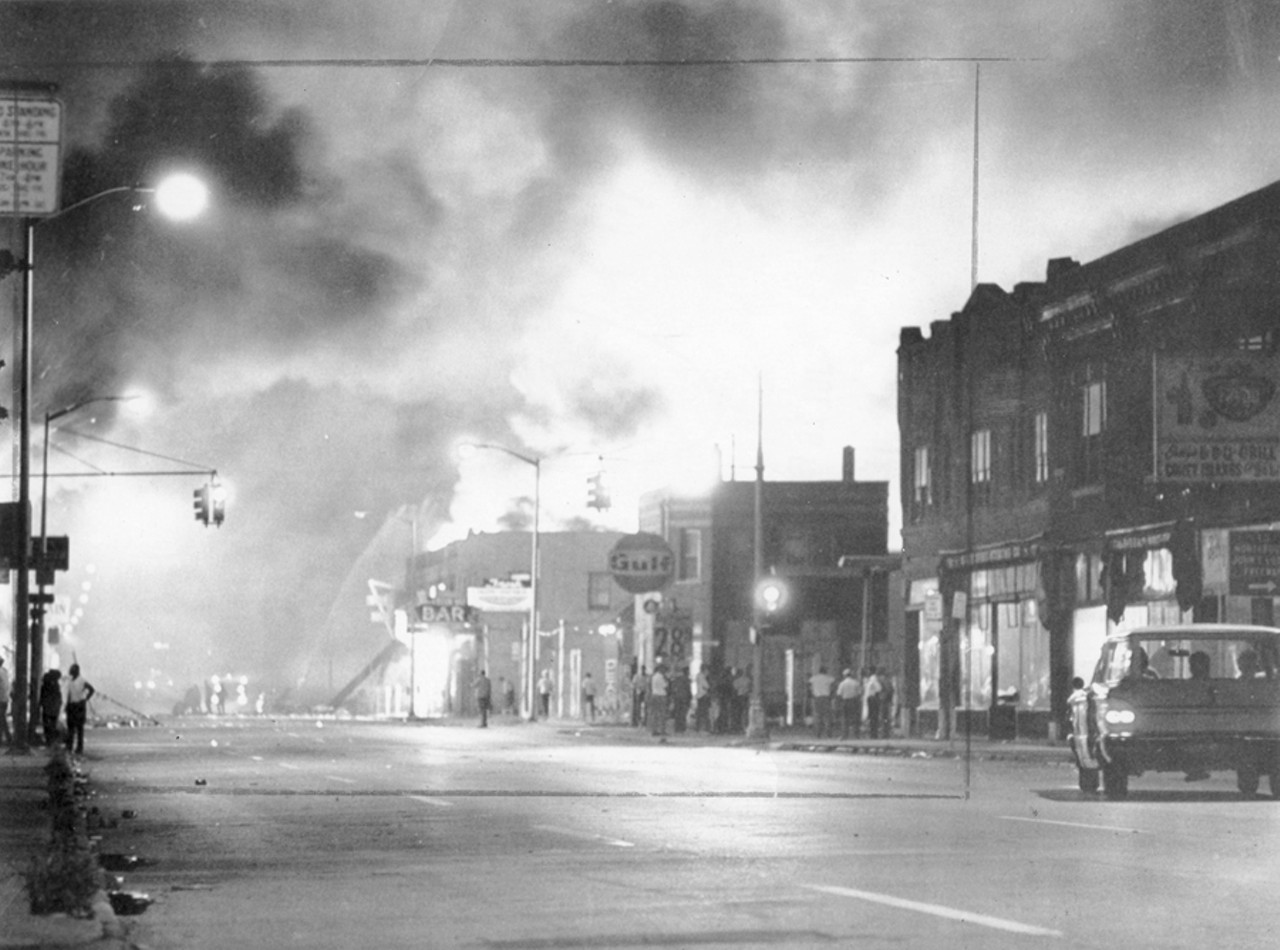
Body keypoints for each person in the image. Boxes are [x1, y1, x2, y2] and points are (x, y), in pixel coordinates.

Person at [64, 664, 95, 755]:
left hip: (79, 705)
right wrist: (67, 705)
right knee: (71, 728)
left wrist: (86, 698)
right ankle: (70, 747)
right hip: (72, 705)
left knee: (79, 728)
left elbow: (92, 689)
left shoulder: (82, 681)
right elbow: (69, 694)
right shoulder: (69, 681)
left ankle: (79, 748)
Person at [808, 666, 835, 738]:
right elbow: (833, 687)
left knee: (817, 716)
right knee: (827, 716)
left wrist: (812, 695)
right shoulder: (829, 678)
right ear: (825, 671)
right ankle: (829, 734)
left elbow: (809, 687)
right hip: (826, 698)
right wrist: (832, 696)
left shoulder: (813, 678)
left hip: (817, 698)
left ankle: (818, 734)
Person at [836, 668, 862, 740]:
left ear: (844, 675)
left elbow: (839, 694)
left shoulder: (842, 683)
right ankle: (856, 735)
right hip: (854, 701)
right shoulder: (856, 682)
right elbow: (859, 693)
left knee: (845, 719)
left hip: (845, 701)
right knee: (855, 719)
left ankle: (844, 735)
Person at [39, 669, 62, 746]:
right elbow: (58, 696)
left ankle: (48, 740)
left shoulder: (45, 685)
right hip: (53, 707)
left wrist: (41, 704)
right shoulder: (55, 685)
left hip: (47, 707)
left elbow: (42, 696)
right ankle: (51, 740)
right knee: (52, 724)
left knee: (47, 724)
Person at [648, 664, 670, 738]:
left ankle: (654, 730)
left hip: (654, 695)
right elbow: (665, 686)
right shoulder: (661, 677)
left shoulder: (653, 677)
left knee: (654, 714)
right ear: (661, 669)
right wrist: (667, 680)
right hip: (661, 696)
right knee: (662, 714)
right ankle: (662, 730)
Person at [669, 666, 692, 733]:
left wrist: (673, 697)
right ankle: (682, 727)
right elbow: (688, 690)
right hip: (684, 698)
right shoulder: (686, 680)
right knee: (683, 713)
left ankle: (677, 727)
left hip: (677, 698)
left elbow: (673, 689)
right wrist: (690, 698)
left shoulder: (677, 679)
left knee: (677, 713)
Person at [863, 668, 883, 739]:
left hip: (871, 699)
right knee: (874, 717)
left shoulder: (872, 681)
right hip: (872, 699)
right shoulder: (873, 680)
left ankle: (873, 733)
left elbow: (878, 689)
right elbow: (879, 689)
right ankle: (873, 733)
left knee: (872, 717)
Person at [694, 666, 712, 733]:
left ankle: (698, 727)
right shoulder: (702, 677)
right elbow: (706, 686)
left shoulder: (698, 676)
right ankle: (705, 728)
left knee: (700, 712)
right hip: (703, 695)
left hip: (699, 695)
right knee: (705, 712)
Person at [0, 656, 12, 747]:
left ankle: (8, 738)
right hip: (4, 699)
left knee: (2, 719)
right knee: (2, 719)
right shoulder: (4, 671)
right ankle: (7, 738)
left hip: (0, 699)